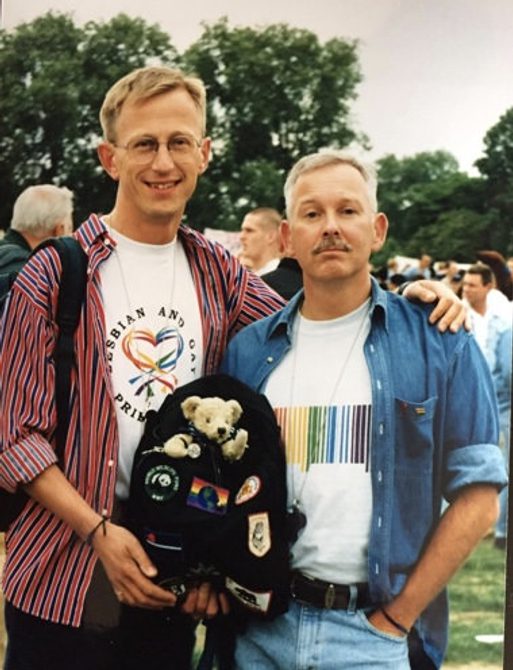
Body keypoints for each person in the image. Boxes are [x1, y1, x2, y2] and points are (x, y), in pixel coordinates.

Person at [0, 66, 467, 670]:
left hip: (167, 578)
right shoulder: (56, 272)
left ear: (204, 153)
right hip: (63, 577)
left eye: (179, 142)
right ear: (109, 158)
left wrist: (413, 301)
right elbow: (15, 437)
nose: (163, 162)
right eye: (144, 144)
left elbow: (316, 316)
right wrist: (97, 532)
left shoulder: (217, 273)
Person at [221, 150, 506, 670]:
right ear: (287, 238)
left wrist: (397, 617)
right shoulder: (248, 352)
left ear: (377, 230)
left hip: (372, 636)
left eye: (348, 210)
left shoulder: (439, 341)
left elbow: (480, 497)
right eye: (312, 213)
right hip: (262, 631)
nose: (330, 226)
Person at [462, 264, 512, 550]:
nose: (466, 290)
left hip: (498, 398)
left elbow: (506, 365)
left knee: (500, 463)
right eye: (465, 284)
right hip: (467, 396)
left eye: (472, 285)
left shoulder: (502, 316)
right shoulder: (458, 312)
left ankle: (500, 529)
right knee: (466, 461)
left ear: (488, 287)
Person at [0, 184, 74, 273]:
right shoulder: (30, 275)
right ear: (60, 230)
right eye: (69, 228)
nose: (71, 235)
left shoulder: (5, 256)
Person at [239, 207, 282, 275]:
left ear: (271, 236)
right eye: (242, 230)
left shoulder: (281, 277)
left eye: (249, 231)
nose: (241, 237)